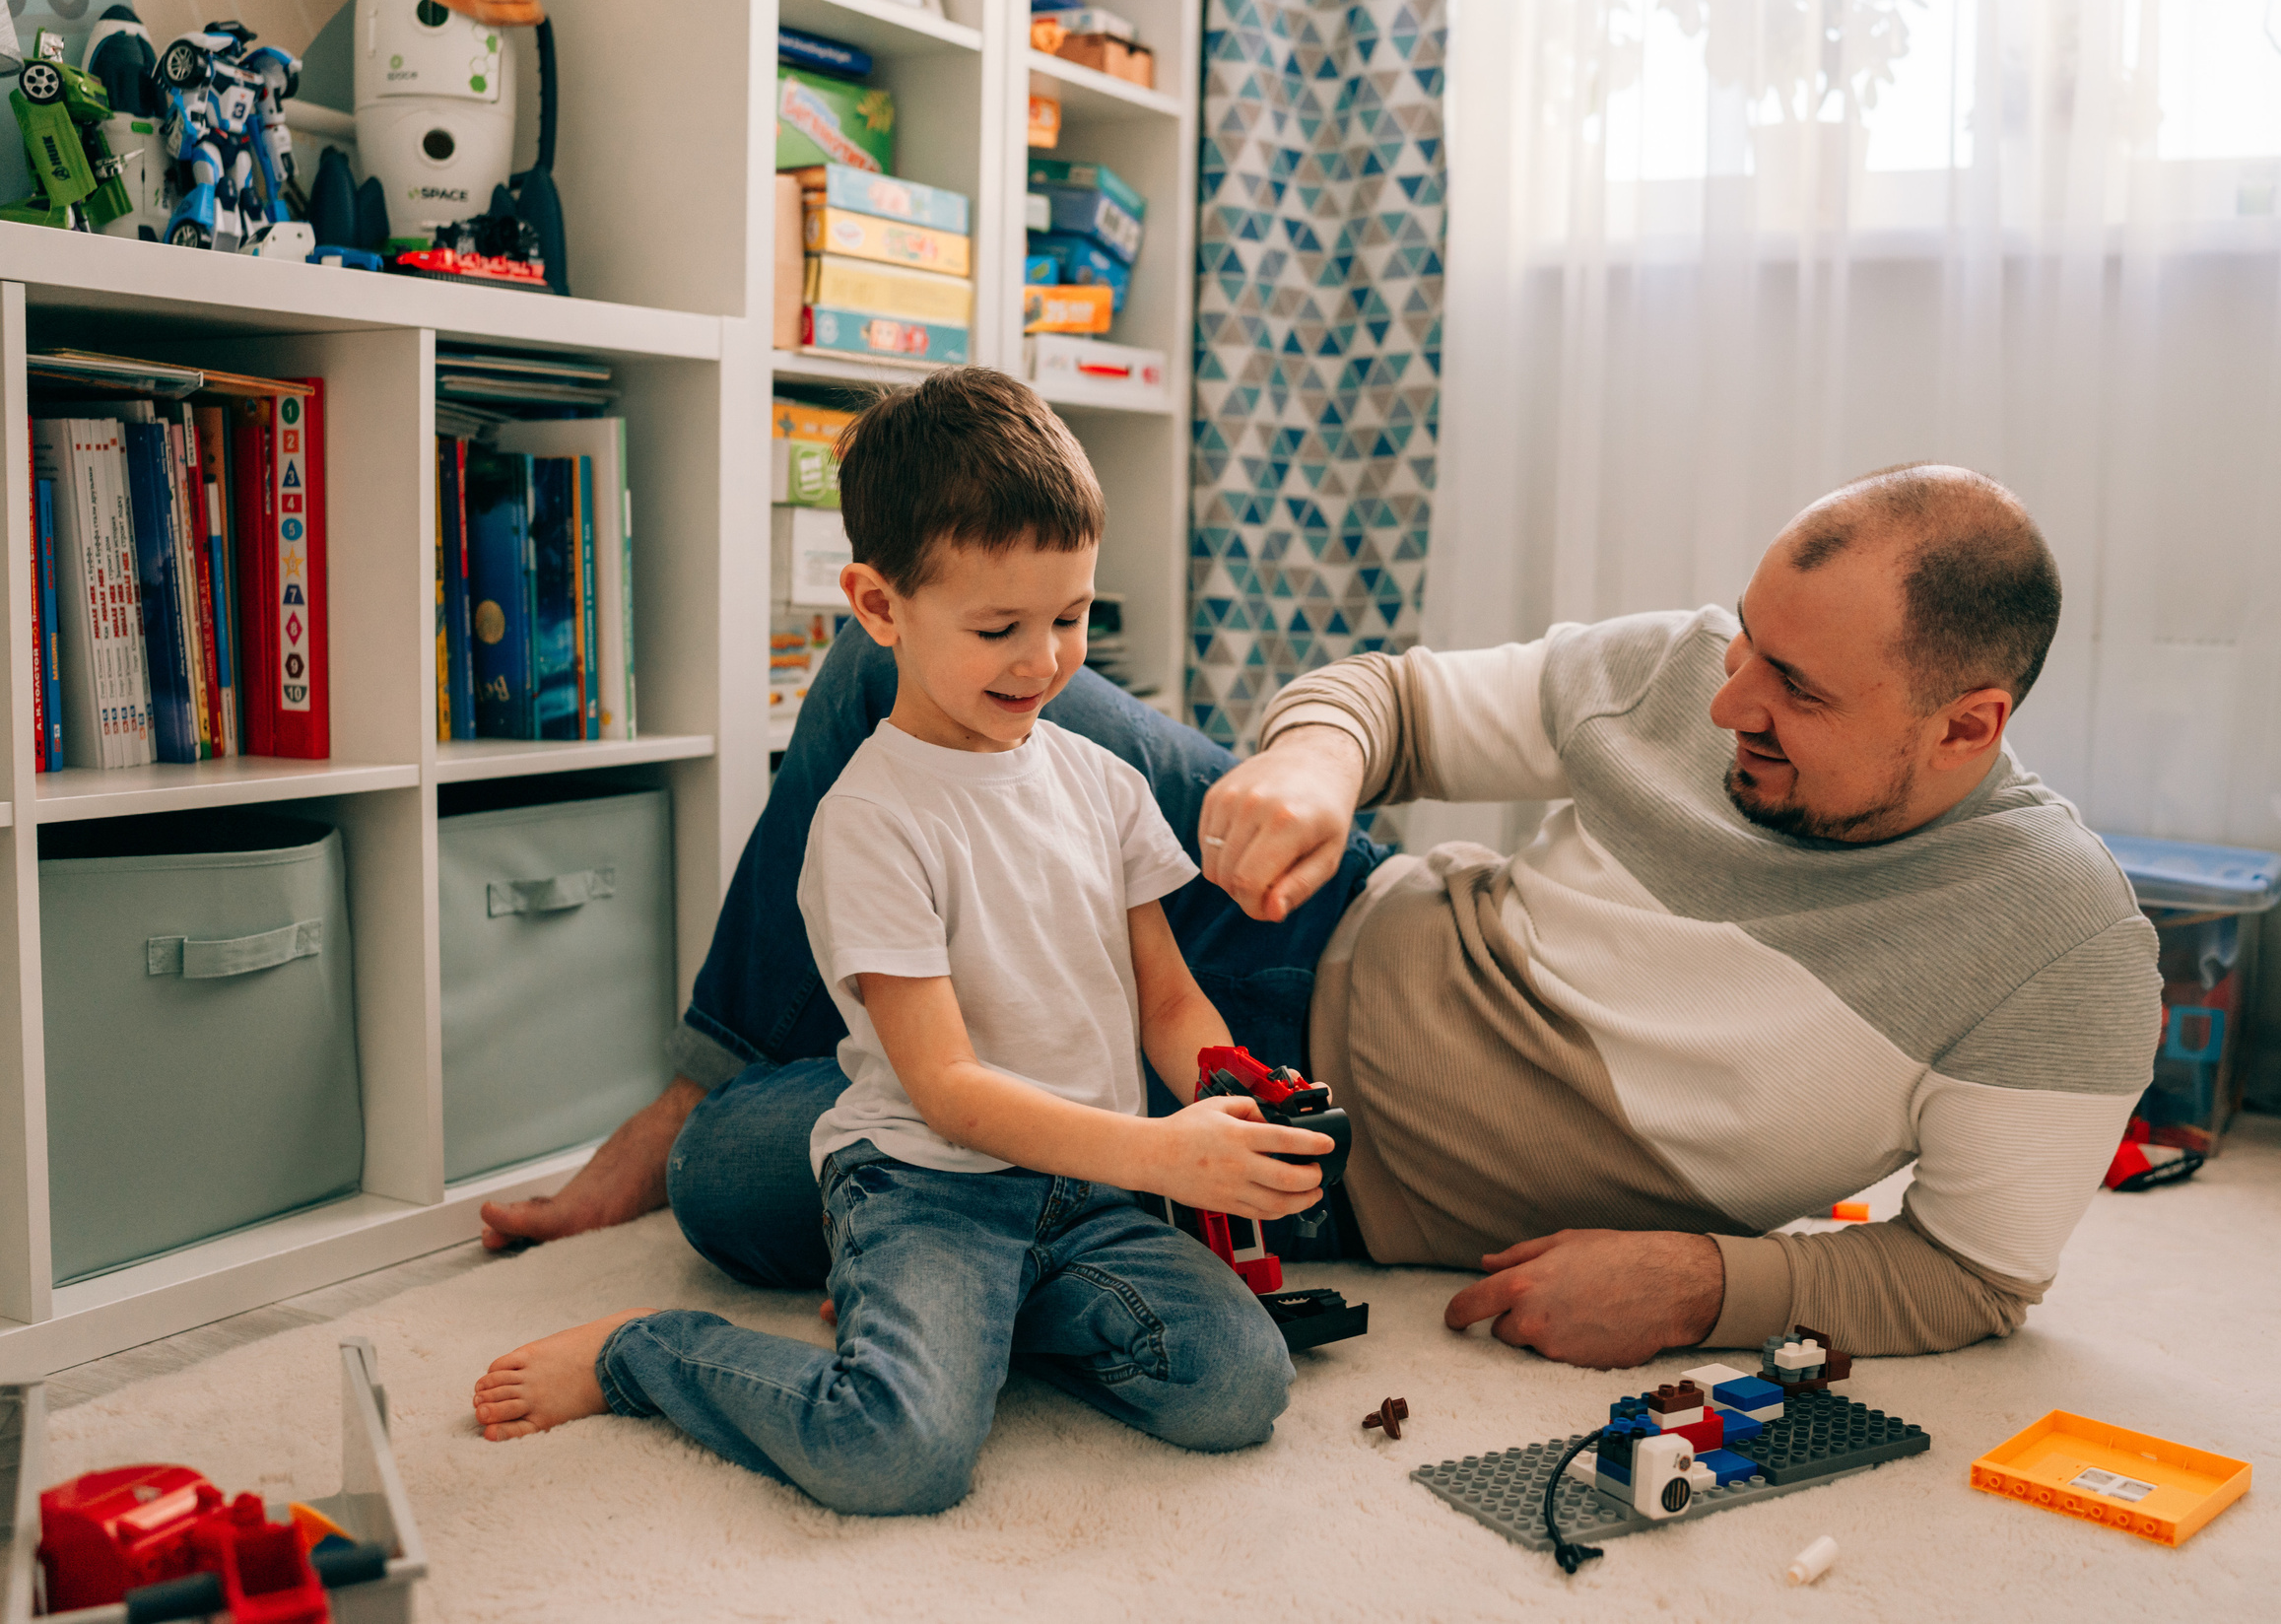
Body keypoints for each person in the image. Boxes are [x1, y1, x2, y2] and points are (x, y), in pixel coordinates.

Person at [483, 456, 2161, 1368]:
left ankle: (807, 1133)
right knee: (894, 660)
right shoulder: (1682, 671)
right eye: (1740, 642)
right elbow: (1395, 700)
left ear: (1967, 724)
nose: (1726, 701)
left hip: (1316, 1156)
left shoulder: (2059, 948)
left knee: (739, 1194)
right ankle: (706, 1068)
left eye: (1790, 689)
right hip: (1303, 917)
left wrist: (1712, 1287)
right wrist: (1306, 763)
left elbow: (1969, 1276)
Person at [469, 372, 1325, 1513]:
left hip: (1084, 1191)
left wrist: (1221, 1087)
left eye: (1069, 617)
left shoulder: (1104, 782)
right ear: (878, 609)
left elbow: (1166, 1000)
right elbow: (949, 1090)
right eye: (998, 629)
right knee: (898, 1456)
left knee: (1238, 1389)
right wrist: (1159, 1155)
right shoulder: (871, 820)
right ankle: (647, 1349)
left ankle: (966, 1326)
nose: (1045, 661)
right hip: (930, 1186)